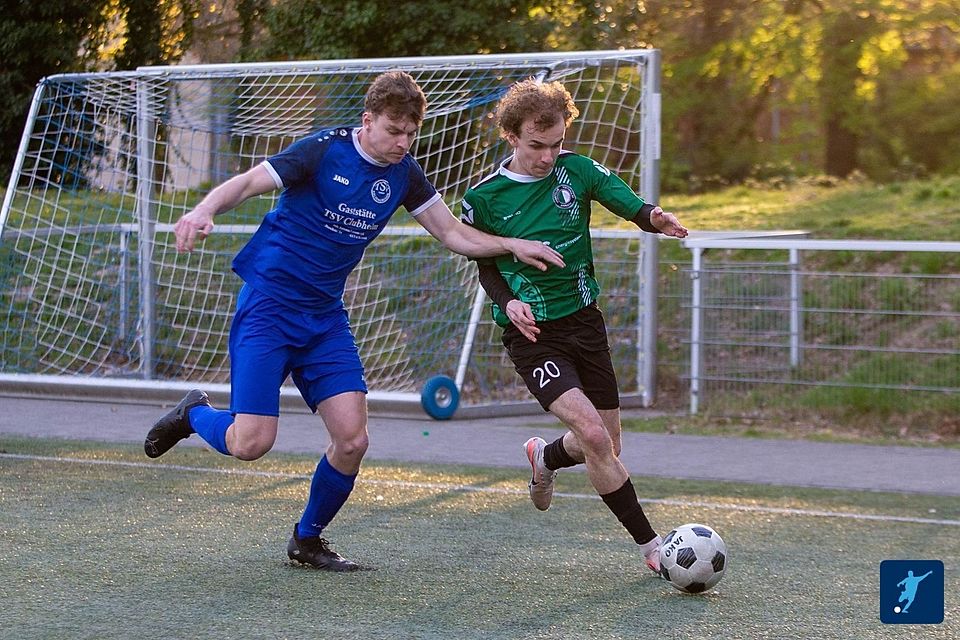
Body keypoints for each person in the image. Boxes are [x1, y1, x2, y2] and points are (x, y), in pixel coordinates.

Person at [143, 71, 564, 572]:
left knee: (353, 439)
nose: (403, 143)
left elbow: (454, 234)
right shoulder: (324, 150)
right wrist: (204, 209)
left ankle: (307, 539)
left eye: (411, 134)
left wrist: (512, 244)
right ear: (368, 121)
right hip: (270, 309)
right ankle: (194, 414)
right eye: (393, 131)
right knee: (250, 443)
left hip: (324, 318)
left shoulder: (404, 173)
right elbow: (250, 182)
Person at [460, 78, 688, 573]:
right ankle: (652, 549)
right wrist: (508, 300)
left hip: (586, 322)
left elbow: (624, 200)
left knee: (607, 443)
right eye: (536, 145)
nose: (547, 155)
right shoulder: (484, 199)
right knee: (594, 436)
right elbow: (486, 264)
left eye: (557, 143)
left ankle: (545, 458)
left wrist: (655, 217)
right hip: (534, 335)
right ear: (511, 136)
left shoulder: (577, 171)